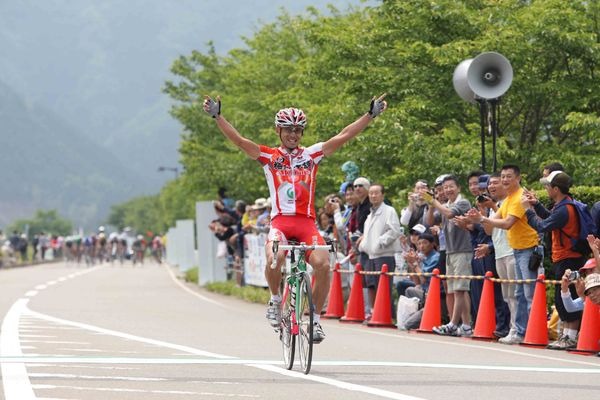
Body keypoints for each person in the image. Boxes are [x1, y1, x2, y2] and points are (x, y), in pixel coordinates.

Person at [203, 93, 387, 343]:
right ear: (279, 130)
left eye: (298, 130)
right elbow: (239, 141)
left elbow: (344, 136)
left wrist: (370, 115)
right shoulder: (269, 157)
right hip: (280, 222)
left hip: (306, 223)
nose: (293, 134)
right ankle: (276, 299)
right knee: (275, 257)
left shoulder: (311, 155)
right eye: (288, 130)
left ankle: (314, 322)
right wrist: (217, 116)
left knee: (323, 264)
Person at [474, 164, 542, 345]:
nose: (504, 180)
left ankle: (533, 332)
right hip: (517, 250)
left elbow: (507, 223)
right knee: (519, 293)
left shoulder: (520, 197)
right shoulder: (509, 199)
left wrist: (481, 219)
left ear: (518, 178)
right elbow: (491, 225)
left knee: (529, 293)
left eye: (508, 176)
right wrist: (478, 216)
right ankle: (520, 332)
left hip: (529, 250)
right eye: (502, 176)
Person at [522, 171, 588, 349]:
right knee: (563, 298)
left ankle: (570, 336)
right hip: (567, 258)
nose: (546, 188)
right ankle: (566, 336)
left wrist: (529, 211)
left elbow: (543, 226)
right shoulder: (563, 205)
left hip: (569, 258)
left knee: (568, 296)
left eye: (548, 186)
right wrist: (536, 205)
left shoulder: (564, 209)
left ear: (556, 189)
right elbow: (550, 219)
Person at [425, 175, 474, 337]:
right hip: (451, 252)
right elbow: (430, 221)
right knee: (458, 290)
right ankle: (466, 326)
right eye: (445, 188)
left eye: (451, 186)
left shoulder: (463, 202)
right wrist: (431, 203)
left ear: (458, 188)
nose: (448, 190)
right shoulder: (445, 204)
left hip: (463, 250)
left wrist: (434, 202)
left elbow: (449, 214)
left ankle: (453, 323)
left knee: (460, 288)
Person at [357, 183, 402, 319]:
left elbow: (394, 231)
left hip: (384, 255)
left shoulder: (389, 211)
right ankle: (376, 313)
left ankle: (386, 316)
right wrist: (363, 246)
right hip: (371, 255)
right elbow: (366, 235)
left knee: (384, 288)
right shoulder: (370, 214)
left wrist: (380, 243)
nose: (373, 195)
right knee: (372, 285)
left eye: (376, 193)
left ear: (382, 195)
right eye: (371, 193)